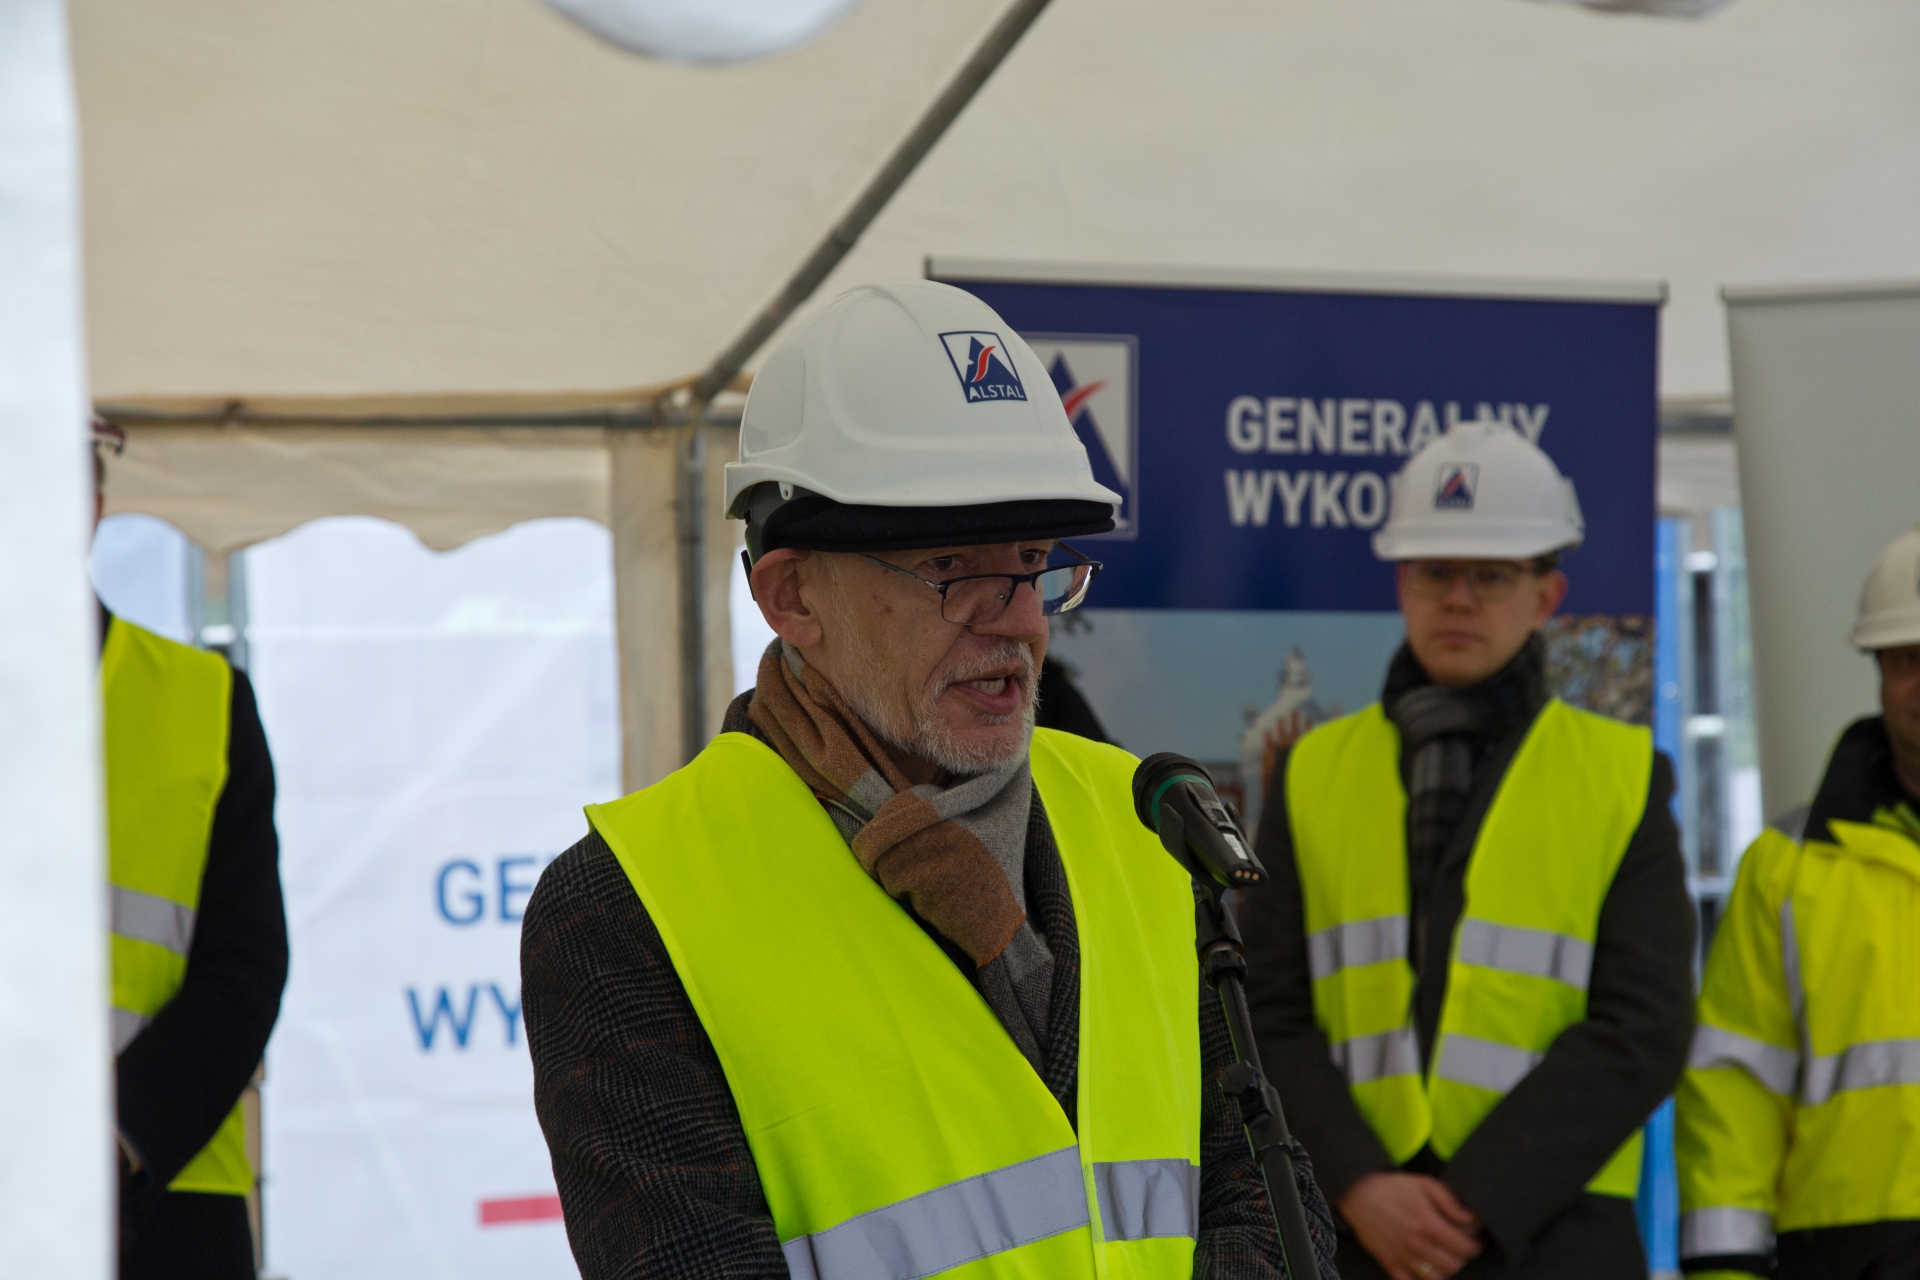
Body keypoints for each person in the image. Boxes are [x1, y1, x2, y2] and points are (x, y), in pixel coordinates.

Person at [521, 281, 1339, 1280]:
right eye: (953, 567)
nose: (1021, 621)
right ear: (793, 595)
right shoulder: (624, 907)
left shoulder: (1139, 818)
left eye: (1033, 560)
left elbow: (1268, 1192)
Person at [1237, 422, 1695, 1279]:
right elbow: (1263, 1008)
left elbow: (1647, 1023)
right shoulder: (1312, 771)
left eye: (1491, 575)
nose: (1458, 599)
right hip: (1355, 1235)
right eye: (1435, 571)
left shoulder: (1625, 773)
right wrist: (1360, 1184)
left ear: (1547, 596)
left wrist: (1478, 1198)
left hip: (1553, 1235)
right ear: (1401, 584)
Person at [1676, 523, 1920, 1280]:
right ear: (1877, 670)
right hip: (1845, 1260)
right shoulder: (1784, 869)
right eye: (1909, 659)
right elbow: (1734, 1092)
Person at [95, 420, 290, 1279]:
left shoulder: (204, 701)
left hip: (165, 1200)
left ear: (92, 499)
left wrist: (111, 1141)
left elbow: (244, 970)